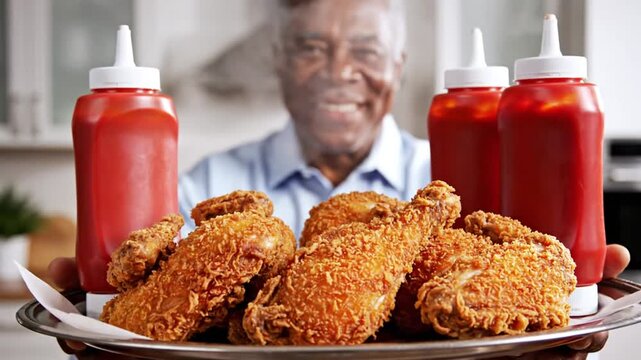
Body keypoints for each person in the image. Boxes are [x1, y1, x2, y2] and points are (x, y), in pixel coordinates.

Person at [49, 0, 630, 358]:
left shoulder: (453, 178)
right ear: (279, 63)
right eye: (311, 48)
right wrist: (101, 329)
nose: (339, 72)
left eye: (366, 50)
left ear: (398, 69)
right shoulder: (205, 186)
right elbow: (139, 293)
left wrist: (543, 324)